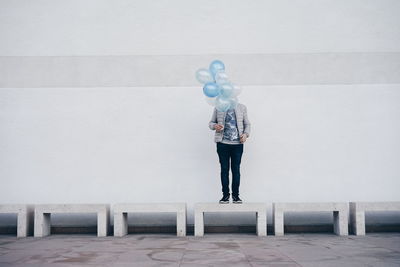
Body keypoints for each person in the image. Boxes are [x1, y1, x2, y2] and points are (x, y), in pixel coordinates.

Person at [209, 103, 251, 204]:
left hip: (237, 144)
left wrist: (246, 134)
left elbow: (247, 124)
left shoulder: (242, 107)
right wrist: (215, 126)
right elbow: (211, 123)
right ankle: (225, 196)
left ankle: (236, 196)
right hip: (222, 144)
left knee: (236, 170)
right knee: (224, 169)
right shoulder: (219, 106)